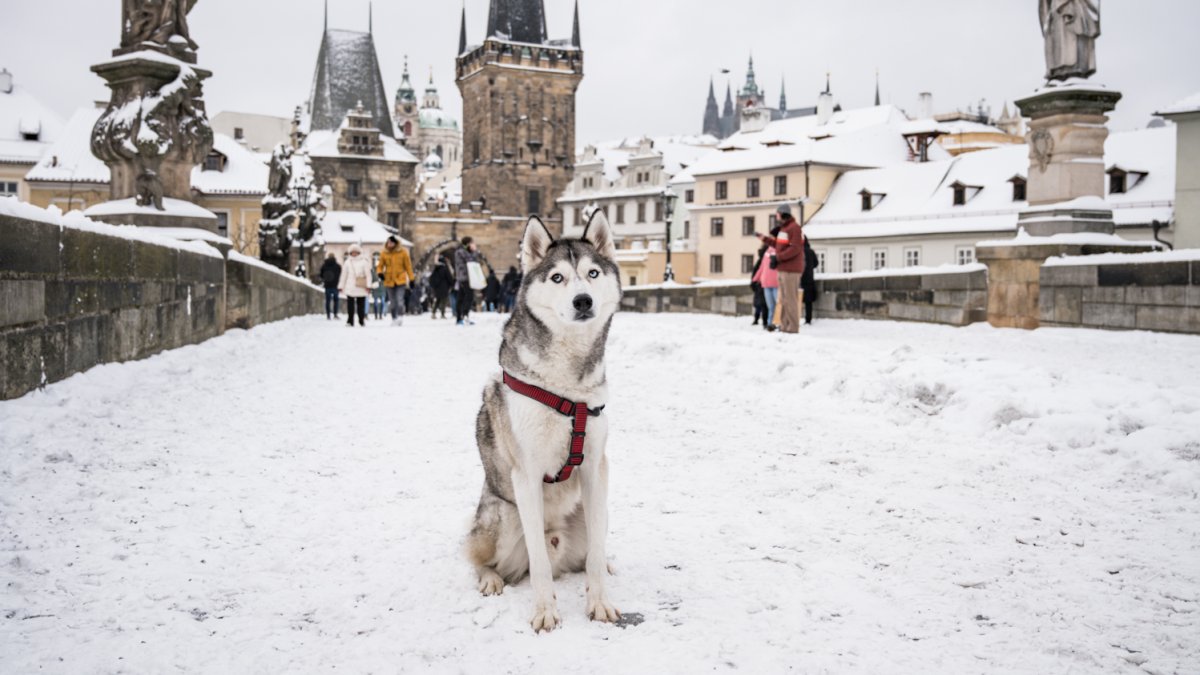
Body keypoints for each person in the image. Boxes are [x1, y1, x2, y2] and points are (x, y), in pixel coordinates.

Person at [755, 204, 806, 334]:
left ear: (783, 213)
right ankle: (784, 326)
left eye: (777, 213)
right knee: (783, 300)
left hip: (791, 270)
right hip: (783, 269)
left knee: (790, 299)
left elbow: (795, 248)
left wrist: (778, 257)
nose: (776, 216)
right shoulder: (785, 229)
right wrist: (764, 239)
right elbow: (778, 245)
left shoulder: (794, 228)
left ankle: (792, 327)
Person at [376, 236, 415, 326]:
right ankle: (394, 318)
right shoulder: (384, 253)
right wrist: (380, 273)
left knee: (399, 300)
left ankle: (400, 316)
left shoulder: (403, 252)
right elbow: (380, 266)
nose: (389, 244)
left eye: (391, 242)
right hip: (389, 280)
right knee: (392, 302)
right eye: (388, 242)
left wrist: (412, 279)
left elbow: (408, 267)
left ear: (395, 243)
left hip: (400, 280)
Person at [338, 244, 371, 327]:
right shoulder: (347, 262)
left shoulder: (364, 262)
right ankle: (350, 321)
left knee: (361, 305)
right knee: (350, 305)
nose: (354, 253)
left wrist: (368, 285)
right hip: (350, 286)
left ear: (359, 252)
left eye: (356, 252)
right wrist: (341, 286)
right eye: (352, 252)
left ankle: (361, 320)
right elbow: (344, 275)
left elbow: (368, 275)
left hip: (361, 286)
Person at [752, 233, 779, 332]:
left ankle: (778, 324)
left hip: (776, 283)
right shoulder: (767, 252)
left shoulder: (779, 251)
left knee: (778, 306)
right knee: (771, 307)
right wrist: (755, 279)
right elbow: (762, 267)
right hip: (766, 284)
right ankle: (770, 325)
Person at [453, 236, 479, 325]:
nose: (473, 244)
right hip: (464, 277)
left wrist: (473, 252)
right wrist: (474, 252)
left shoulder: (467, 252)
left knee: (462, 297)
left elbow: (476, 262)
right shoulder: (460, 252)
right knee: (468, 296)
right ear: (468, 243)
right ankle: (463, 315)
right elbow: (469, 262)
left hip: (469, 277)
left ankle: (461, 317)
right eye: (472, 242)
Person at [429, 253, 454, 319]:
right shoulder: (445, 268)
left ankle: (433, 313)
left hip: (437, 288)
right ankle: (442, 314)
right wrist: (452, 284)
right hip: (444, 287)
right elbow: (449, 277)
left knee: (437, 300)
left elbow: (432, 278)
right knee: (443, 301)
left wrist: (434, 286)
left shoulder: (436, 269)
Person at [801, 239, 819, 325]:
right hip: (809, 278)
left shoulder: (799, 251)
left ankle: (796, 318)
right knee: (808, 302)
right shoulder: (811, 251)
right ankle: (808, 319)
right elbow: (816, 263)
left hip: (800, 278)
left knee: (797, 300)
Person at [318, 252, 341, 320]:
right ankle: (335, 314)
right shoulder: (337, 266)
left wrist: (326, 279)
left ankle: (328, 315)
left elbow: (321, 275)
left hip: (327, 285)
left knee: (328, 300)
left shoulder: (324, 265)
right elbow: (340, 274)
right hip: (335, 285)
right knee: (336, 300)